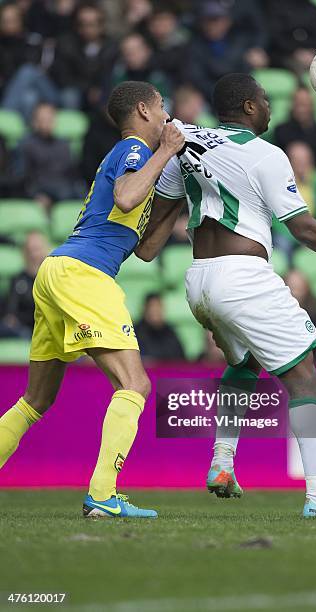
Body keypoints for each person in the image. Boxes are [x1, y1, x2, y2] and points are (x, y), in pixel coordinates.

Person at [137, 72, 316, 519]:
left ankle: (222, 463)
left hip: (198, 279)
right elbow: (303, 228)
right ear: (251, 107)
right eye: (264, 98)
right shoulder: (266, 155)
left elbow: (155, 229)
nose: (270, 105)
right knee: (305, 378)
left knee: (245, 362)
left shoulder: (185, 144)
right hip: (243, 278)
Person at [0, 81, 185, 518]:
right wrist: (165, 153)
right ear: (143, 109)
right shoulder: (136, 150)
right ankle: (102, 495)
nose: (166, 116)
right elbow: (125, 196)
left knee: (36, 400)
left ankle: (102, 495)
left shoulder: (137, 160)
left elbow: (146, 249)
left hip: (58, 270)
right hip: (84, 273)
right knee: (135, 384)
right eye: (162, 107)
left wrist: (177, 198)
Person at [49, 3, 117, 109]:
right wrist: (89, 89)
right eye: (81, 24)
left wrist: (99, 89)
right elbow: (63, 77)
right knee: (70, 95)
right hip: (71, 91)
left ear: (101, 26)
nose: (85, 29)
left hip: (101, 92)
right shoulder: (66, 44)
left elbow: (109, 75)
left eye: (90, 24)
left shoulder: (111, 47)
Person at [17, 102, 84, 209]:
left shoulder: (64, 144)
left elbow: (74, 174)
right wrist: (35, 195)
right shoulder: (26, 145)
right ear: (35, 122)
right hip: (42, 190)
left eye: (50, 119)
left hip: (66, 189)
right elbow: (23, 178)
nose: (47, 123)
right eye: (43, 119)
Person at [273, 87, 316, 174]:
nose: (301, 109)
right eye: (298, 104)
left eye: (305, 104)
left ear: (312, 106)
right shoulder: (281, 131)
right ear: (292, 105)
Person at [0, 232, 48, 339]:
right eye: (29, 250)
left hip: (41, 330)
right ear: (24, 253)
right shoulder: (18, 279)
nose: (33, 254)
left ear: (45, 250)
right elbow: (11, 310)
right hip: (20, 329)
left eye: (36, 249)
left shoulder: (52, 279)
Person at [135, 293, 185, 362]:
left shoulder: (170, 333)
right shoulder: (135, 333)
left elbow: (182, 360)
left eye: (158, 306)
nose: (155, 311)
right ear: (145, 309)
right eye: (152, 307)